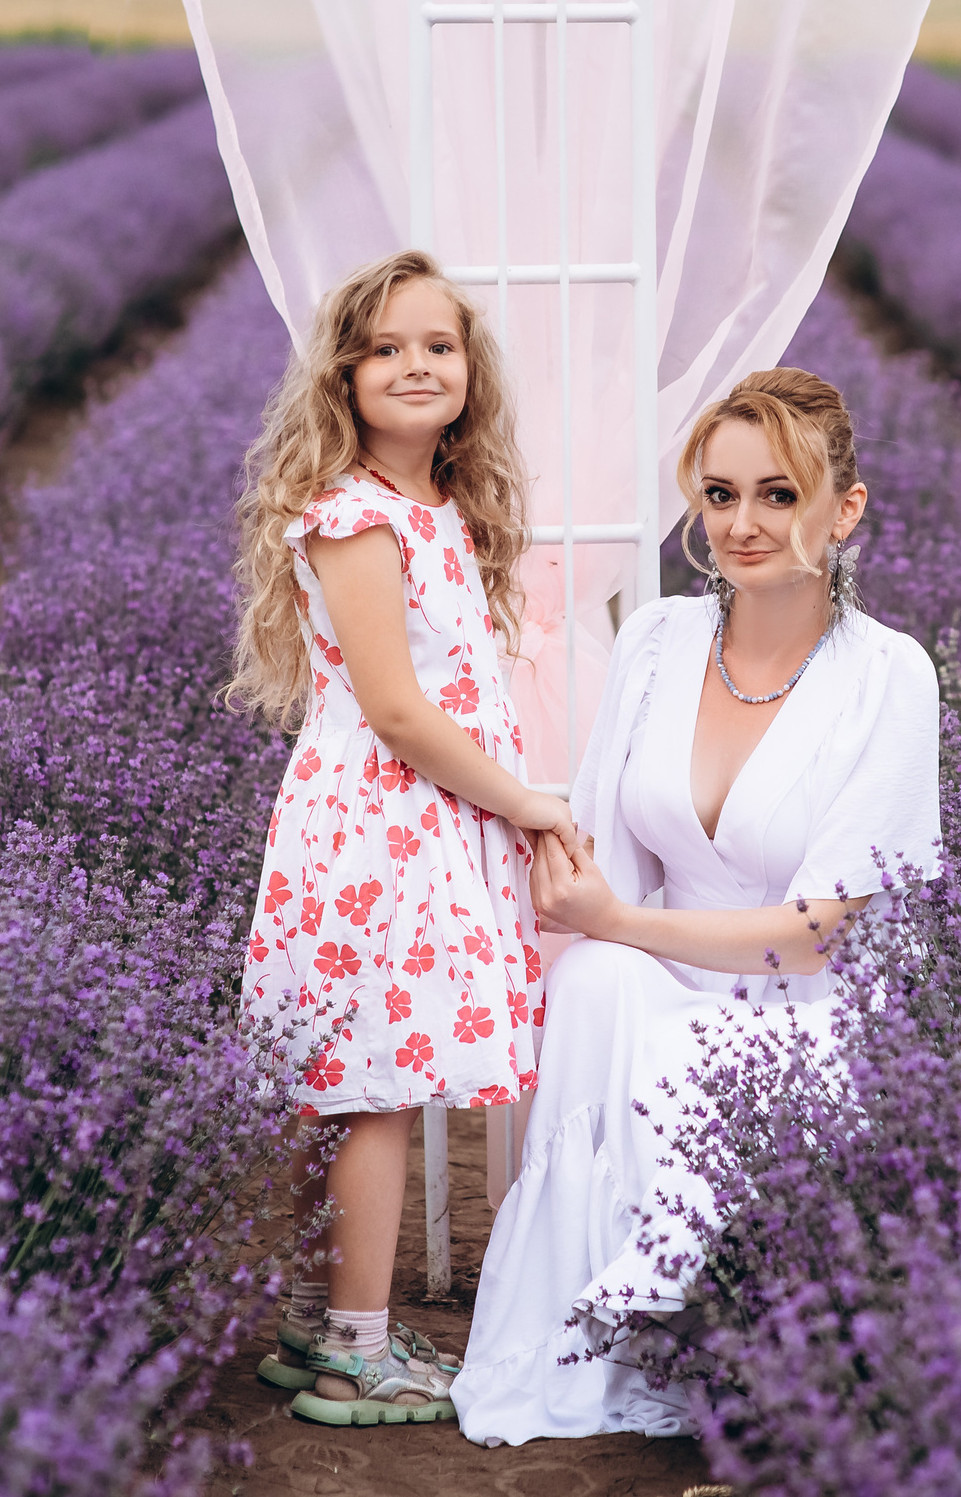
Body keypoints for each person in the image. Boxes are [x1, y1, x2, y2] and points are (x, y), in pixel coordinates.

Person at [452, 368, 942, 1446]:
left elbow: (818, 934)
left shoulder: (887, 674)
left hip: (815, 1011)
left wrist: (620, 925)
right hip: (662, 985)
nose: (742, 523)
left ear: (844, 510)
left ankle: (705, 1318)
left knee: (615, 964)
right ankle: (596, 1331)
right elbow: (601, 867)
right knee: (593, 979)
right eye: (720, 494)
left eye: (778, 493)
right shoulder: (658, 640)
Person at [227, 249, 581, 1428]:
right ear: (344, 375)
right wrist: (527, 801)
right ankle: (357, 1350)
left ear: (470, 370)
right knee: (367, 1085)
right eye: (384, 347)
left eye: (438, 344)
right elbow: (395, 708)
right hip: (378, 825)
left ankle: (317, 1316)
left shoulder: (439, 511)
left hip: (414, 819)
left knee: (358, 1077)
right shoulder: (354, 515)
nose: (415, 364)